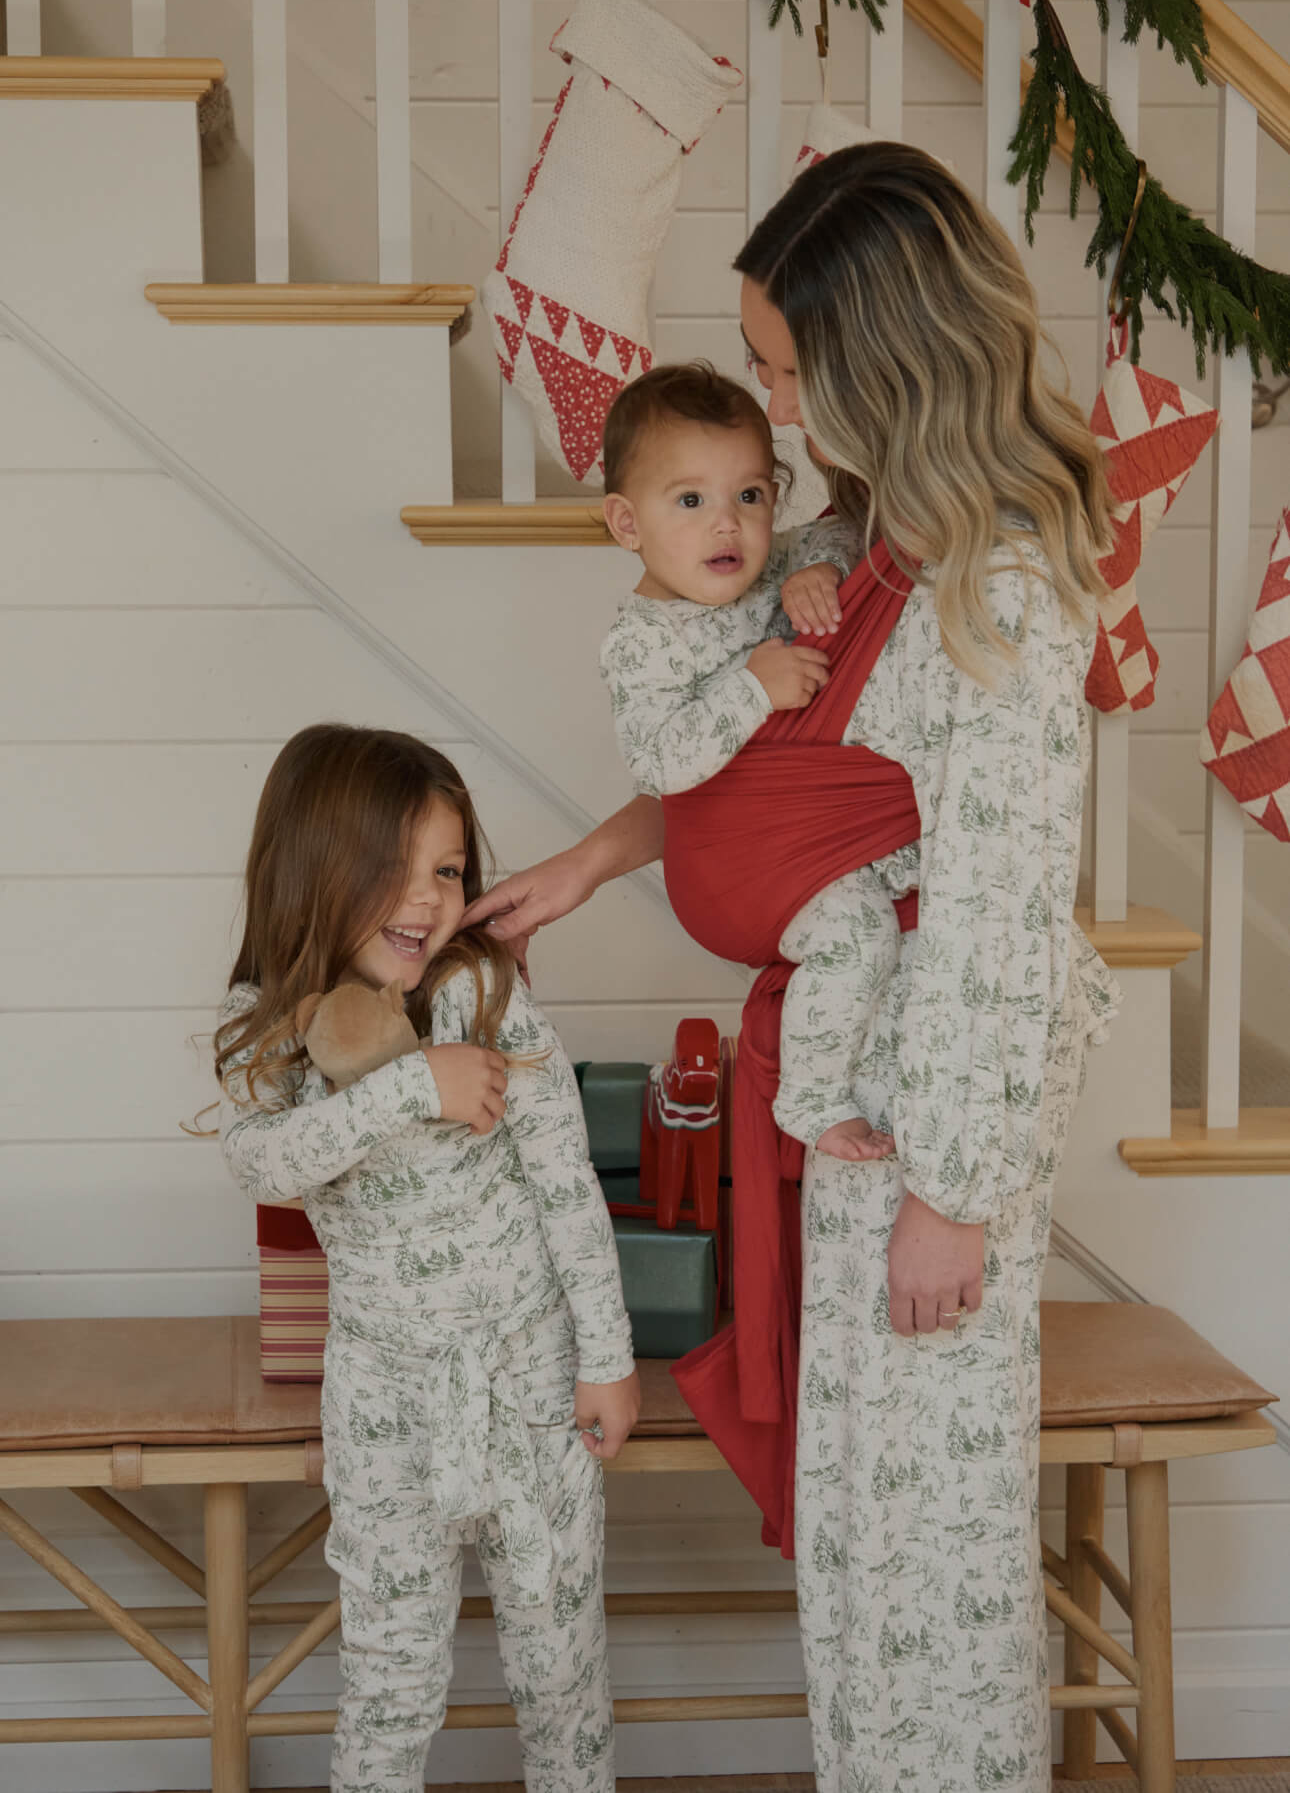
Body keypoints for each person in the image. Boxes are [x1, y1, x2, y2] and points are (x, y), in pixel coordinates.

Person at [466, 142, 1121, 1791]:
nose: (767, 404)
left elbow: (998, 904)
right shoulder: (872, 533)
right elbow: (748, 767)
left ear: (875, 357)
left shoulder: (1009, 581)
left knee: (936, 1557)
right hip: (850, 1103)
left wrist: (954, 1194)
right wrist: (592, 861)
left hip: (923, 1123)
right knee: (861, 1542)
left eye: (779, 365)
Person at [214, 724, 638, 1793]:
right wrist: (415, 1087)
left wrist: (609, 1358)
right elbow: (264, 1163)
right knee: (392, 1683)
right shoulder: (269, 1030)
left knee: (562, 1669)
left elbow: (564, 1184)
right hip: (385, 1401)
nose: (428, 900)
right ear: (314, 870)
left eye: (446, 871)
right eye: (393, 870)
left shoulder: (480, 997)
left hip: (531, 1380)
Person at [598, 358, 916, 1161]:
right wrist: (750, 686)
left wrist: (819, 569)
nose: (727, 525)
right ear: (627, 523)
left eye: (750, 495)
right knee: (860, 932)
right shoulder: (639, 642)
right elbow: (662, 763)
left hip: (801, 841)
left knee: (893, 895)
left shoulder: (773, 562)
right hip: (724, 880)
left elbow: (847, 528)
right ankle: (809, 1096)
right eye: (691, 500)